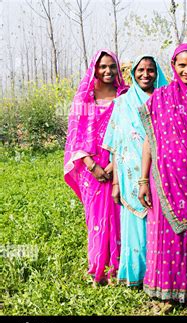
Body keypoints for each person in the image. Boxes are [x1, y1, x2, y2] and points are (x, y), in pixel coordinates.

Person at [137, 43, 187, 303]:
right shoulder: (161, 97)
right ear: (173, 66)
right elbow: (150, 140)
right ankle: (166, 292)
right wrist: (143, 180)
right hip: (164, 177)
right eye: (181, 65)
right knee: (166, 234)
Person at [102, 55, 168, 287]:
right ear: (133, 72)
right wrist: (116, 184)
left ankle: (157, 273)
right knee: (135, 227)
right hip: (130, 174)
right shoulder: (123, 103)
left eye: (151, 70)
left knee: (158, 222)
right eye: (141, 70)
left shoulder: (166, 98)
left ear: (157, 72)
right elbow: (117, 146)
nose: (146, 74)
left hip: (161, 172)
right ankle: (136, 274)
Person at [64, 49, 128, 286]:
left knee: (120, 215)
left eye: (112, 66)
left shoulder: (125, 96)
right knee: (96, 218)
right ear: (95, 68)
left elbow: (130, 132)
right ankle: (98, 268)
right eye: (103, 67)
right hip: (91, 169)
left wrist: (114, 164)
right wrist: (92, 166)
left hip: (120, 164)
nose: (108, 71)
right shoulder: (84, 98)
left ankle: (119, 267)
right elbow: (75, 136)